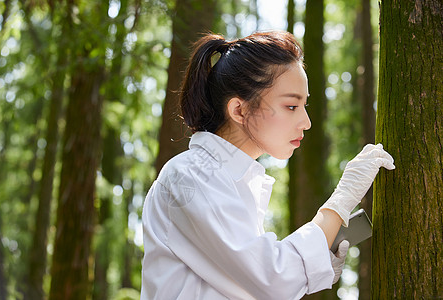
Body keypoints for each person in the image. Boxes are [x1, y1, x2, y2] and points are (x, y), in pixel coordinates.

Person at [140, 31, 395, 299]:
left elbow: (259, 283)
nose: (306, 122)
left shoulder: (231, 180)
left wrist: (319, 260)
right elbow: (273, 279)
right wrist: (340, 202)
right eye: (291, 106)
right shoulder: (192, 175)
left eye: (304, 105)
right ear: (239, 110)